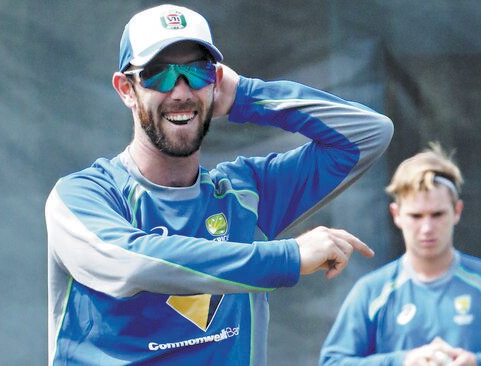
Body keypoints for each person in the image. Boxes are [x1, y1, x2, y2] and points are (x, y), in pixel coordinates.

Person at [45, 4, 393, 365]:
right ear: (126, 89)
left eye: (197, 72)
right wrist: (288, 257)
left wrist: (246, 96)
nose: (180, 92)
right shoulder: (82, 196)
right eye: (158, 74)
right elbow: (133, 262)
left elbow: (369, 134)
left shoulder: (245, 193)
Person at [318, 142, 481, 366]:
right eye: (416, 216)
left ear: (457, 211)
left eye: (437, 214)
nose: (427, 228)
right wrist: (404, 361)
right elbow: (332, 361)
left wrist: (479, 362)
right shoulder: (372, 292)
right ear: (396, 214)